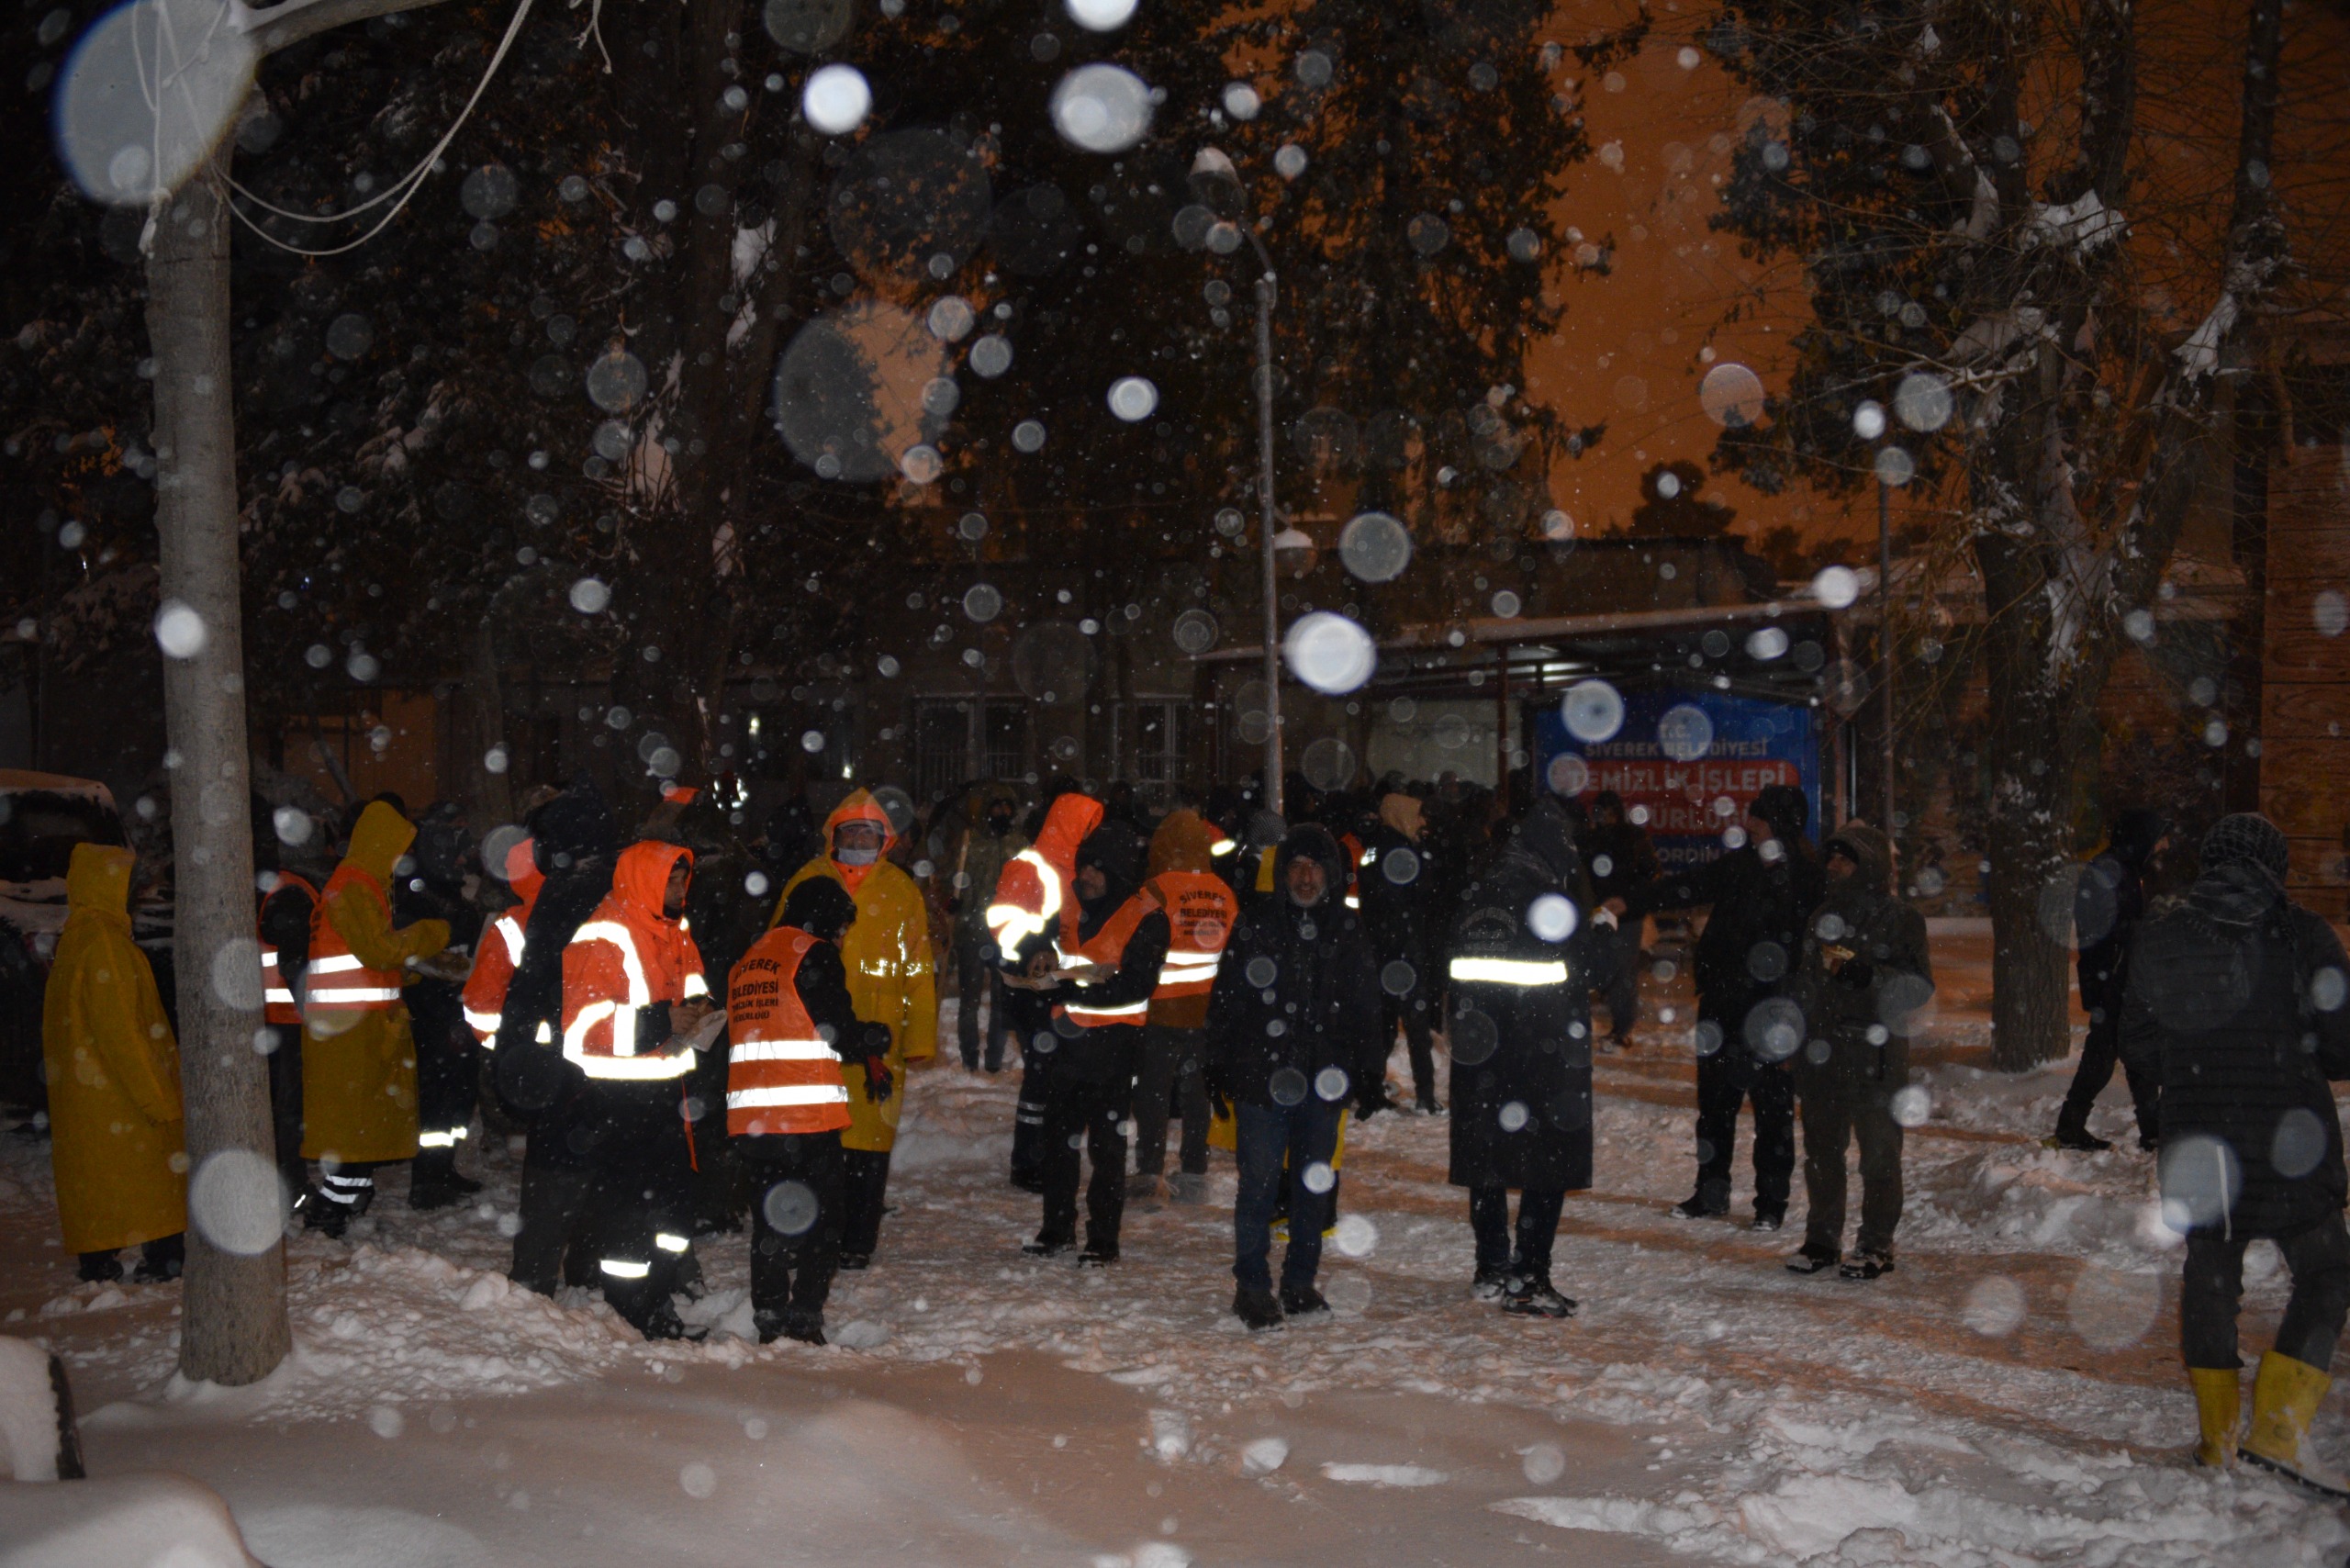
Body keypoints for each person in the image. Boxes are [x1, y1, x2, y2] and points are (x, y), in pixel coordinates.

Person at [2121, 812, 2350, 1493]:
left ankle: (2217, 1439)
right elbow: (2343, 1048)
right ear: (2273, 868)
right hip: (2291, 1142)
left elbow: (2134, 1040)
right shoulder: (2304, 935)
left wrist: (2191, 1071)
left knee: (2212, 1275)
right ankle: (2278, 1429)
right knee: (2330, 1268)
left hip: (2199, 1138)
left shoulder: (2162, 935)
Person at [1617, 783, 1823, 1229]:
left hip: (1775, 1012)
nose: (1748, 824)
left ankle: (1771, 1204)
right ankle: (1711, 1193)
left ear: (1778, 824)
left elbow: (1814, 955)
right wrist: (1630, 902)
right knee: (1714, 1107)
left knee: (1773, 1112)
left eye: (1759, 818)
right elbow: (1687, 887)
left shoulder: (1808, 877)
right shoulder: (1740, 867)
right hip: (1724, 1005)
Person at [1204, 823, 1382, 1330]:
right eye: (1297, 868)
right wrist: (1216, 1061)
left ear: (1330, 874)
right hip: (1263, 1077)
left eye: (1315, 867)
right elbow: (1228, 998)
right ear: (1284, 874)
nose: (1306, 878)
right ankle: (1253, 1287)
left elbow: (1367, 1005)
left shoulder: (1346, 931)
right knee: (1257, 1186)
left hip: (1323, 1081)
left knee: (1312, 1188)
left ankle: (1300, 1283)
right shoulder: (1257, 923)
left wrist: (1369, 1069)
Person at [1445, 797, 1598, 1316]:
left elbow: (1452, 970)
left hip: (1481, 1055)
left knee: (1486, 1159)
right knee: (1546, 1164)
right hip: (1542, 1056)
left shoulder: (1478, 892)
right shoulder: (1549, 901)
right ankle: (1530, 1275)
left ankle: (1490, 1266)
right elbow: (1580, 973)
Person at [559, 838, 713, 1340]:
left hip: (669, 1094)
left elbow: (691, 992)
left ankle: (658, 1296)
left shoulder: (675, 929)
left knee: (674, 1208)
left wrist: (699, 1012)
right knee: (629, 1216)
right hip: (618, 1100)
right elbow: (582, 1031)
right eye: (670, 878)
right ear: (644, 880)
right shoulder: (602, 935)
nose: (680, 888)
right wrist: (662, 1020)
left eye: (683, 878)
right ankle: (632, 1309)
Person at [777, 790, 936, 1269]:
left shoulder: (901, 890)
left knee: (869, 1145)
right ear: (835, 835)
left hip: (877, 1037)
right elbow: (778, 949)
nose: (859, 839)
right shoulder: (807, 880)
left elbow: (919, 968)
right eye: (851, 831)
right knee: (820, 1140)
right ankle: (814, 1229)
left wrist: (920, 1037)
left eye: (868, 832)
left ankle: (857, 1241)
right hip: (817, 1030)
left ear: (884, 838)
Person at [728, 877, 890, 1346]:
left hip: (754, 1119)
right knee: (823, 1220)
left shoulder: (751, 958)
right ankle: (803, 1317)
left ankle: (770, 1315)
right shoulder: (811, 952)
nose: (839, 938)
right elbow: (833, 1026)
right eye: (840, 928)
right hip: (804, 1116)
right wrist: (873, 1039)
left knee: (771, 1219)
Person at [1009, 818, 1169, 1261]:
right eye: (1084, 867)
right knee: (1058, 1144)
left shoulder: (1146, 915)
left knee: (1106, 1149)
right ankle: (1057, 1230)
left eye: (1098, 869)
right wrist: (1037, 955)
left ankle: (1103, 1240)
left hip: (1115, 1049)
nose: (1087, 877)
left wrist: (1074, 991)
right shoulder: (1071, 904)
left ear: (1118, 870)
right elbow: (1043, 942)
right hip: (1065, 1046)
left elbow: (1136, 985)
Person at [1784, 822, 1933, 1281]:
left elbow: (1918, 988)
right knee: (1822, 1152)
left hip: (1875, 1056)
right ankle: (1822, 1239)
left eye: (1845, 859)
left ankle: (1876, 1244)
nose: (1834, 866)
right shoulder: (1821, 915)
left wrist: (1871, 977)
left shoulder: (1901, 918)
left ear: (1867, 864)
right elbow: (1808, 983)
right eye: (1831, 858)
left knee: (1879, 1156)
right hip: (1822, 1053)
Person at [301, 800, 453, 1234]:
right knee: (355, 1126)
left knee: (359, 1124)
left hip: (354, 1026)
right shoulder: (354, 886)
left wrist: (405, 977)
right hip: (352, 1030)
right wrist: (434, 931)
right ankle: (332, 1206)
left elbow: (365, 957)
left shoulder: (355, 883)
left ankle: (343, 1201)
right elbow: (379, 949)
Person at [498, 779, 623, 1298]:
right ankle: (589, 1270)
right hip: (616, 1052)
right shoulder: (623, 886)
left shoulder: (564, 891)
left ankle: (535, 1277)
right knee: (602, 1164)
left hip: (567, 1052)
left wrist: (517, 1047)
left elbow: (533, 983)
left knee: (557, 1168)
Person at [43, 845, 185, 1283]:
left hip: (90, 1097)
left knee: (98, 1183)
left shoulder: (77, 940)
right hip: (119, 1096)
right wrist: (159, 1098)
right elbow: (125, 1035)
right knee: (154, 1184)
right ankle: (164, 1261)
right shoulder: (107, 946)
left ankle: (98, 1258)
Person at [989, 785, 1103, 1192]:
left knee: (1056, 1079)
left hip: (1059, 991)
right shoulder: (1030, 865)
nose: (1093, 834)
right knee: (1040, 1081)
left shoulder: (1078, 868)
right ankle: (1028, 1164)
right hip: (1031, 991)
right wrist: (1040, 945)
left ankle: (1050, 1156)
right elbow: (1004, 922)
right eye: (1088, 827)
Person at [1133, 808, 1237, 1205]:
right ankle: (1194, 1173)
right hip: (1206, 1013)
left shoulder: (1156, 888)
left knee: (1154, 1095)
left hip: (1161, 1011)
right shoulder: (1223, 891)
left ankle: (1149, 1173)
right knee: (1198, 1097)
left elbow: (1135, 943)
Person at [2052, 809, 2168, 1152]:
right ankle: (2074, 1127)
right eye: (2159, 837)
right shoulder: (2108, 871)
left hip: (2122, 978)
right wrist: (2141, 933)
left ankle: (2149, 1129)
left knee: (2123, 1051)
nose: (2163, 845)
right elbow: (2098, 929)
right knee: (2110, 1054)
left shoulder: (2125, 870)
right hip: (2113, 979)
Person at [400, 805, 483, 1209]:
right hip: (434, 1009)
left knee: (460, 1093)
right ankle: (426, 1180)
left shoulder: (448, 887)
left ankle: (444, 1167)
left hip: (459, 1008)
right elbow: (413, 949)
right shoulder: (418, 891)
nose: (462, 856)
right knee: (437, 1097)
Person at [1357, 789, 1443, 1113]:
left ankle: (1370, 1089)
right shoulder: (1403, 852)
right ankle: (1425, 1096)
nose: (1422, 822)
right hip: (1403, 952)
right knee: (1416, 1026)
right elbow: (1416, 898)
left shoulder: (1375, 848)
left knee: (1384, 1027)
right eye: (1417, 814)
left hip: (1380, 952)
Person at [257, 839, 327, 1207]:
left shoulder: (262, 887)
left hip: (265, 1019)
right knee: (290, 1108)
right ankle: (293, 1186)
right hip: (289, 1019)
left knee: (278, 1107)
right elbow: (294, 963)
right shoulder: (292, 893)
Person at [951, 788, 1027, 1072]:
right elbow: (955, 878)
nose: (1002, 814)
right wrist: (954, 899)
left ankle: (994, 1059)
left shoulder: (1019, 845)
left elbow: (1029, 883)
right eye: (997, 808)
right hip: (972, 931)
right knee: (969, 999)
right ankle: (969, 1056)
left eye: (1007, 808)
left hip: (1007, 933)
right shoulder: (972, 844)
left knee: (1001, 999)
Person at [1582, 790, 1660, 1048]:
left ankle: (1622, 1027)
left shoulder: (1611, 839)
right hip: (1616, 912)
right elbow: (1649, 870)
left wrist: (1626, 896)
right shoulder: (1624, 837)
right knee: (1616, 970)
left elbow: (1648, 871)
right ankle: (1621, 1026)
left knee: (1619, 971)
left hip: (1618, 913)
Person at [463, 834, 543, 1050]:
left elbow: (482, 1002)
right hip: (576, 1050)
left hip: (528, 1048)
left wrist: (503, 1044)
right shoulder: (595, 910)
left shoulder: (510, 925)